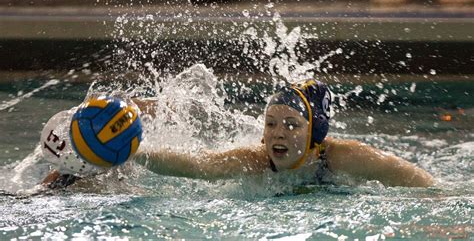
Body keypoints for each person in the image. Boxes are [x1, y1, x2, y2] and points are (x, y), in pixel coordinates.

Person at [41, 79, 434, 189]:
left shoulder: (344, 157)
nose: (277, 134)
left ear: (315, 134)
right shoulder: (256, 160)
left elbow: (421, 183)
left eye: (292, 125)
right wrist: (134, 153)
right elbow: (199, 166)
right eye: (270, 124)